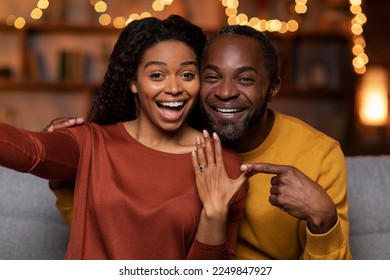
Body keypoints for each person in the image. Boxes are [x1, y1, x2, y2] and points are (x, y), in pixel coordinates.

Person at [45, 24, 352, 260]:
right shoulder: (175, 131)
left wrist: (323, 220)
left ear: (272, 89)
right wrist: (63, 180)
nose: (225, 92)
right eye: (211, 77)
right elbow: (114, 228)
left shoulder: (319, 155)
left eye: (245, 79)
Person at [0, 15, 249, 260]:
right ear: (133, 81)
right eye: (156, 75)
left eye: (187, 75)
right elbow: (31, 151)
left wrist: (214, 216)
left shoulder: (221, 162)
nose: (174, 88)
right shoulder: (91, 142)